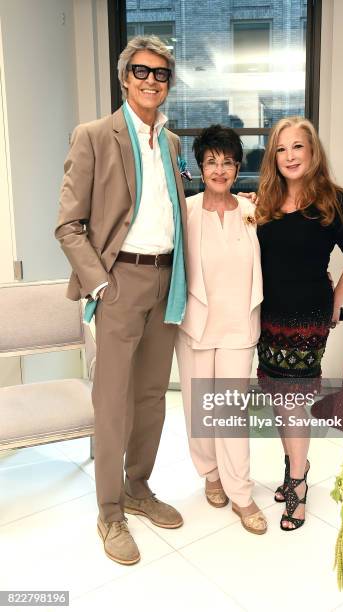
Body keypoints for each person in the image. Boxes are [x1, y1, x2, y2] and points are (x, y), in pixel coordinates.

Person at [55, 35, 187, 565]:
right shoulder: (93, 136)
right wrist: (101, 283)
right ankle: (109, 512)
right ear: (124, 76)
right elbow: (68, 225)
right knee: (112, 403)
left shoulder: (172, 143)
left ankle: (138, 487)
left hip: (166, 281)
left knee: (152, 396)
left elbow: (167, 209)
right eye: (142, 71)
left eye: (161, 74)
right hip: (119, 282)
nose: (151, 80)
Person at [255, 116, 343, 531]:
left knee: (292, 400)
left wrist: (334, 304)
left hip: (306, 320)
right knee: (279, 397)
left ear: (312, 151)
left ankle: (299, 485)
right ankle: (292, 470)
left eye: (297, 147)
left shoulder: (333, 201)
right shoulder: (265, 202)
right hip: (269, 318)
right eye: (281, 149)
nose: (289, 156)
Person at [175, 125, 267, 535]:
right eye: (212, 161)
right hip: (196, 323)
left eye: (227, 162)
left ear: (237, 167)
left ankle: (241, 494)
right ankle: (210, 473)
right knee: (199, 408)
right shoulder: (186, 210)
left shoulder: (252, 211)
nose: (220, 169)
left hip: (238, 326)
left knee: (230, 412)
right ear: (200, 165)